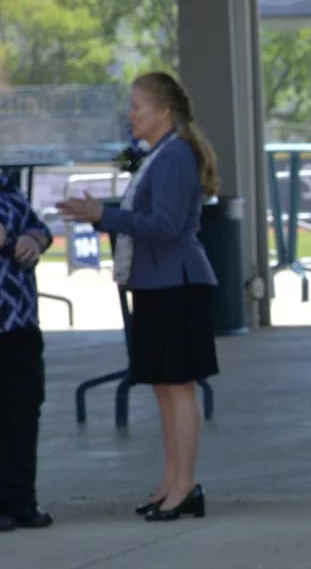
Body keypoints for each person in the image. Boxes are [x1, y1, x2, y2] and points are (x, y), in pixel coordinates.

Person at [57, 72, 219, 522]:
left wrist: (106, 216)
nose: (131, 116)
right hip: (155, 282)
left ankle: (185, 485)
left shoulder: (173, 158)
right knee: (165, 386)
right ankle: (173, 481)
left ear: (163, 113)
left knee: (178, 386)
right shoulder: (161, 155)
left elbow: (165, 227)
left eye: (138, 108)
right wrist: (102, 216)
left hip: (175, 282)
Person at [0, 169, 54, 532]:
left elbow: (39, 226)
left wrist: (33, 240)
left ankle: (21, 500)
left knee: (22, 409)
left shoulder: (6, 184)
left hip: (19, 321)